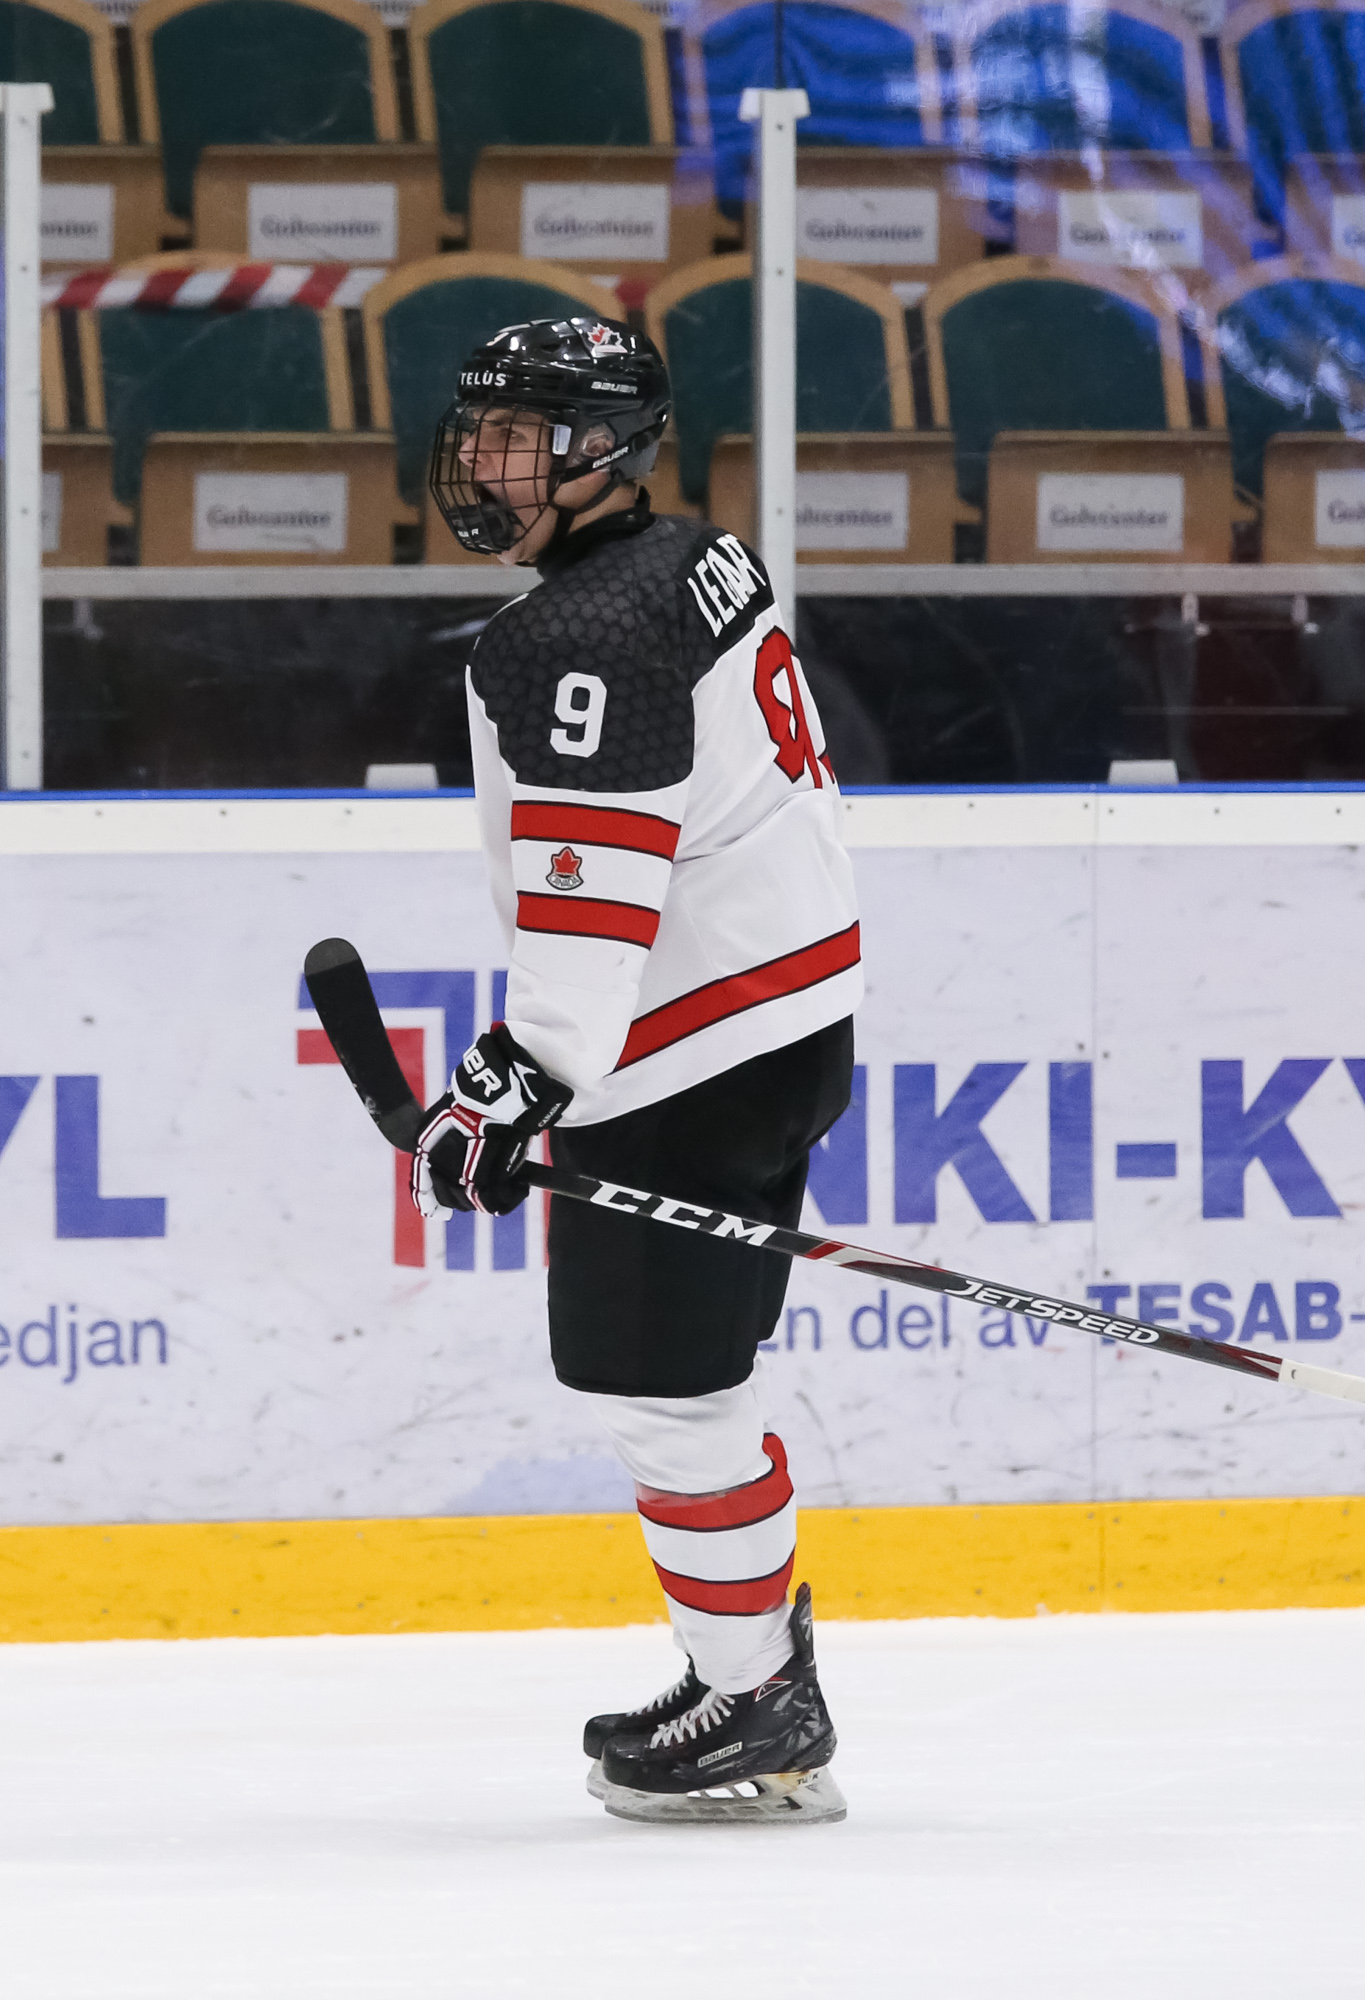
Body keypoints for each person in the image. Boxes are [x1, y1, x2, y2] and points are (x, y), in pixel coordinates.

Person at [412, 315, 861, 1826]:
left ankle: (758, 1699)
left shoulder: (576, 638)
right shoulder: (696, 559)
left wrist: (511, 1080)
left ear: (605, 453)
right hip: (789, 1028)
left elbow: (594, 904)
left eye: (522, 438)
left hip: (686, 1063)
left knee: (663, 1395)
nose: (488, 465)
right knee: (694, 1382)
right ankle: (744, 1651)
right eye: (478, 433)